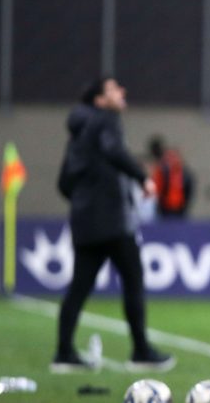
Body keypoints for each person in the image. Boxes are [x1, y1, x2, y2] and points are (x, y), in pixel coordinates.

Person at [52, 77, 176, 373]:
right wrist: (142, 177)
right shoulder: (106, 120)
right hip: (113, 221)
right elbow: (114, 151)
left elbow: (63, 183)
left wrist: (84, 200)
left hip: (85, 223)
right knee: (133, 279)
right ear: (99, 100)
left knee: (79, 287)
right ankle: (141, 351)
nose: (122, 91)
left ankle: (64, 353)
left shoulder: (77, 136)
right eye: (113, 89)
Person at [148, 135, 195, 218]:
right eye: (170, 157)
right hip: (165, 209)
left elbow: (189, 190)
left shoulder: (185, 174)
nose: (172, 160)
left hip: (180, 209)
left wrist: (184, 206)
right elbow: (157, 189)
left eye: (174, 157)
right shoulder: (163, 172)